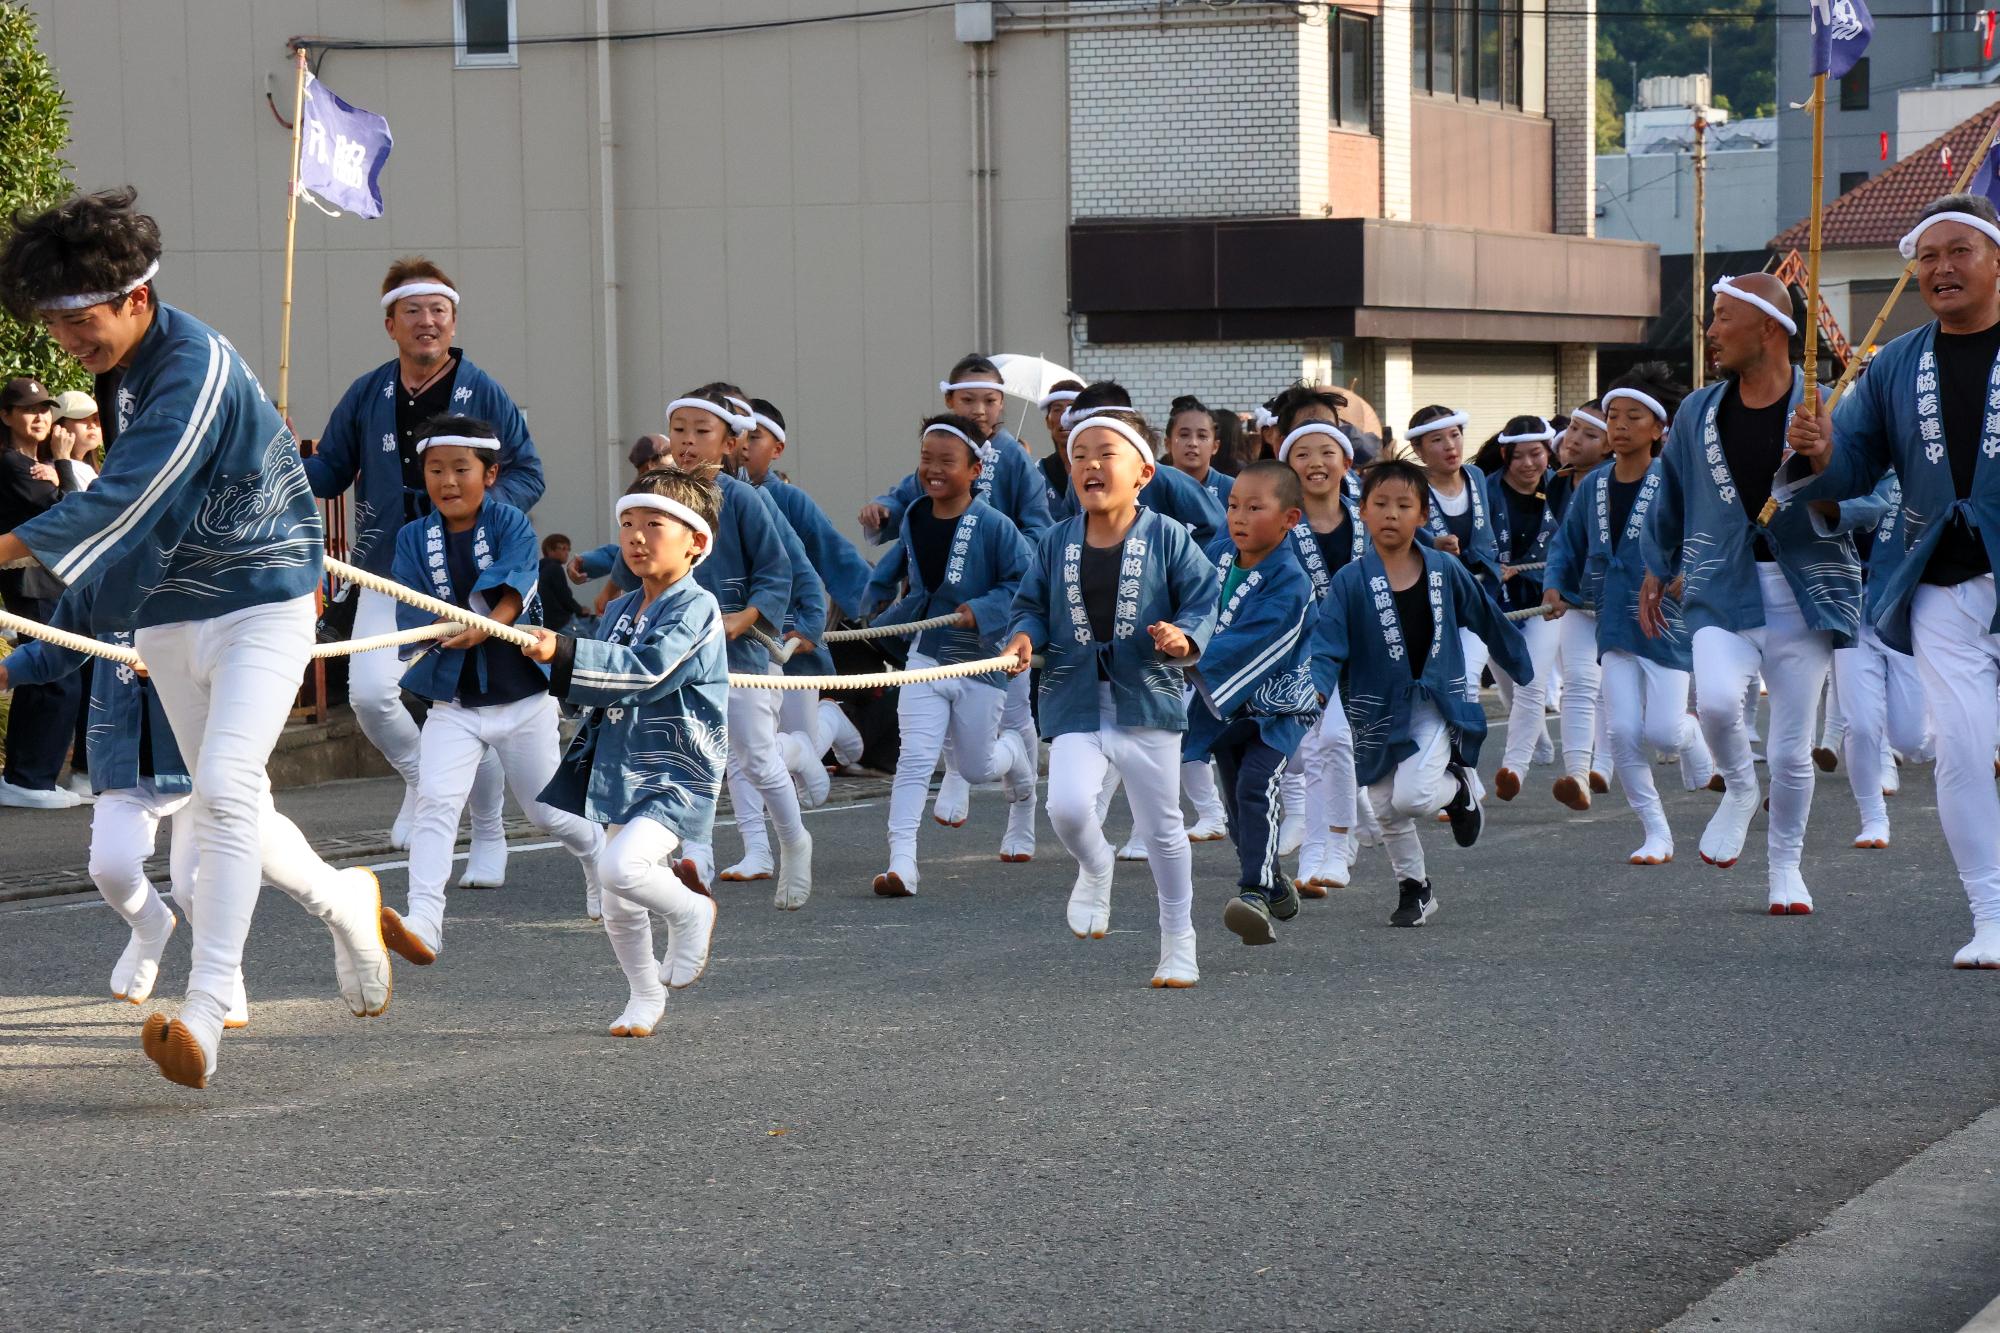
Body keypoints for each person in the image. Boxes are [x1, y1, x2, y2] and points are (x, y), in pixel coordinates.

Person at [0, 186, 389, 1088]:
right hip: (171, 610)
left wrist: (8, 545)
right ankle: (345, 900)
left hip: (263, 596)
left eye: (79, 321)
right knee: (235, 800)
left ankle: (208, 1009)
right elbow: (126, 547)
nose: (68, 343)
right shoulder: (122, 372)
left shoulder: (193, 363)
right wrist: (27, 658)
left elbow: (127, 493)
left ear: (137, 297)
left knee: (221, 785)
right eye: (55, 326)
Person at [1780, 192, 2000, 965]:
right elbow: (1854, 466)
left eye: (1959, 252)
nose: (1941, 268)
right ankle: (1990, 913)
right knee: (1965, 749)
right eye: (1928, 257)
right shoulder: (1899, 362)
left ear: (1996, 260)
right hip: (1938, 578)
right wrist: (1816, 451)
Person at [307, 256, 547, 870]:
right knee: (369, 697)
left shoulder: (483, 390)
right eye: (412, 311)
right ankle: (423, 779)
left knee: (476, 706)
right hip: (389, 565)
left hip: (473, 575)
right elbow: (329, 470)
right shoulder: (367, 393)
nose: (427, 322)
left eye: (438, 310)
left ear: (454, 319)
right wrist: (274, 462)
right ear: (390, 324)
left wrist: (477, 509)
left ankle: (489, 833)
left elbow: (528, 473)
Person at [1645, 278, 1875, 915]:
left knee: (1791, 747)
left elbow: (1880, 493)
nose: (1711, 331)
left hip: (1807, 593)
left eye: (1722, 318)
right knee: (1716, 703)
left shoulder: (1830, 407)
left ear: (1770, 329)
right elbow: (1670, 491)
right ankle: (1740, 787)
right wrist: (1658, 563)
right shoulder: (1697, 411)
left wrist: (1827, 484)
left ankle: (1785, 868)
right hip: (1722, 585)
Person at [374, 417, 606, 965]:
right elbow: (411, 603)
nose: (448, 481)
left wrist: (486, 623)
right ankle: (425, 923)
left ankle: (600, 859)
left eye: (461, 469)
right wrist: (442, 630)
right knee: (435, 804)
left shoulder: (511, 522)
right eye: (435, 470)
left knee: (548, 814)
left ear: (491, 472)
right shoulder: (412, 537)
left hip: (522, 698)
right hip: (453, 703)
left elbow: (518, 579)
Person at [1003, 409, 1219, 987]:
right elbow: (1029, 605)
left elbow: (1203, 599)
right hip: (1074, 697)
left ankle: (1179, 940)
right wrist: (1023, 635)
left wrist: (1184, 636)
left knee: (1162, 828)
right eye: (1079, 456)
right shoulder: (1055, 541)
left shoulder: (1169, 536)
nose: (1090, 465)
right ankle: (1095, 866)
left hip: (1148, 700)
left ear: (1144, 472)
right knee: (1068, 807)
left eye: (1106, 454)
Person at [526, 467, 726, 1038]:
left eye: (654, 525)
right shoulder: (618, 609)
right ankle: (643, 995)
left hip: (675, 767)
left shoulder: (697, 606)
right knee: (617, 897)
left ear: (696, 541)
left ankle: (690, 910)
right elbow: (594, 675)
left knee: (620, 867)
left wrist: (564, 654)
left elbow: (646, 672)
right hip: (619, 764)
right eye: (627, 524)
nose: (636, 536)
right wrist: (551, 656)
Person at [1310, 458, 1534, 927]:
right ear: (1363, 512)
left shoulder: (1443, 569)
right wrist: (1314, 692)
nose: (1391, 513)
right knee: (1384, 805)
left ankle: (1456, 792)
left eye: (1404, 504)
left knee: (1412, 798)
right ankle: (1416, 889)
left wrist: (1518, 662)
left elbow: (1486, 615)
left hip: (1435, 702)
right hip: (1374, 709)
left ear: (1423, 515)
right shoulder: (1350, 580)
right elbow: (1328, 644)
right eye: (1381, 504)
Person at [1544, 375, 1713, 865]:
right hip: (1611, 618)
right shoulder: (1594, 483)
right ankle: (1655, 832)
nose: (1619, 427)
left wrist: (1687, 571)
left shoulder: (1677, 479)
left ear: (1659, 429)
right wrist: (1555, 582)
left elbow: (1705, 534)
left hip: (1665, 619)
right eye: (1613, 417)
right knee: (1619, 731)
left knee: (1662, 732)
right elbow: (1567, 542)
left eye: (1632, 418)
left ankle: (1692, 734)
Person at [869, 416, 1035, 896]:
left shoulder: (996, 526)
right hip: (925, 653)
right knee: (915, 759)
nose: (934, 470)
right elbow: (899, 569)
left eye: (947, 461)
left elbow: (1023, 586)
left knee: (979, 766)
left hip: (981, 659)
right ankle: (902, 863)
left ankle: (1018, 760)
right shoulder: (915, 515)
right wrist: (876, 604)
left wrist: (980, 610)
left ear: (975, 469)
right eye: (926, 460)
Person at [1187, 461, 1319, 947]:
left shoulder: (1291, 580)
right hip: (1222, 704)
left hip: (1278, 707)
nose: (1239, 517)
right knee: (1239, 805)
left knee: (1256, 785)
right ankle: (1275, 879)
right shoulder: (1217, 553)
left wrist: (1190, 653)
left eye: (1255, 508)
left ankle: (1255, 892)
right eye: (1233, 506)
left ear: (1290, 519)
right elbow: (1187, 600)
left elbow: (1260, 642)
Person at [1280, 412, 1379, 892]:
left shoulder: (1371, 513)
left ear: (1346, 462)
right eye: (1302, 454)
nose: (1315, 463)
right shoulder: (1278, 521)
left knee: (1336, 745)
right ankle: (1324, 853)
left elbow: (1413, 551)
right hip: (1303, 655)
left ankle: (1333, 848)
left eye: (1326, 453)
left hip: (1369, 654)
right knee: (1321, 748)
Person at [1817, 476, 1932, 848]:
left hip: (1904, 611)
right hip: (1849, 611)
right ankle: (1873, 819)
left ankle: (1967, 740)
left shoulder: (1916, 469)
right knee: (1862, 725)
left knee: (1912, 739)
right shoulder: (1835, 465)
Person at [0, 375, 84, 808]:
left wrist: (59, 469)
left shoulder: (37, 464)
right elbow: (72, 514)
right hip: (31, 580)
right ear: (6, 416)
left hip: (51, 579)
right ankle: (29, 779)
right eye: (28, 409)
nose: (38, 416)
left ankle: (29, 777)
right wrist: (64, 465)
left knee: (48, 675)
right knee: (55, 673)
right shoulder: (12, 464)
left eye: (43, 409)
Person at [1485, 416, 1562, 801]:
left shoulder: (1564, 489)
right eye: (1521, 457)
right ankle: (1541, 741)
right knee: (1510, 688)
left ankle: (1513, 768)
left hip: (1546, 599)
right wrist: (1487, 563)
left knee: (1532, 683)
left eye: (1538, 454)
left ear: (1549, 453)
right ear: (1505, 456)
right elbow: (1471, 540)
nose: (1530, 464)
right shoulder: (1484, 491)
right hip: (1495, 602)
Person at [1547, 399, 1614, 805]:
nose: (1574, 439)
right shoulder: (1557, 481)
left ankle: (1606, 764)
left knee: (1616, 692)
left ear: (1609, 446)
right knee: (1579, 683)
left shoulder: (1615, 478)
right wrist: (1554, 581)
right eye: (1573, 428)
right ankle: (1577, 774)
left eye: (1590, 434)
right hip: (1576, 597)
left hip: (1620, 597)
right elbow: (1563, 541)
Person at [1165, 395, 1232, 509]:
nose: (1193, 443)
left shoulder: (1231, 489)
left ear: (1215, 446)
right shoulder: (1150, 487)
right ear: (1168, 443)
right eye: (1184, 435)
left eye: (1202, 436)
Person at [537, 534, 590, 636]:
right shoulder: (554, 568)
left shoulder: (540, 569)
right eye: (563, 548)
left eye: (568, 549)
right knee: (588, 642)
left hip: (545, 623)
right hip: (560, 621)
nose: (567, 553)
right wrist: (580, 610)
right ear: (550, 550)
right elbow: (564, 596)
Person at [50, 389, 102, 487]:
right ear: (57, 428)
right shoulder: (49, 470)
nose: (92, 425)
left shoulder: (91, 470)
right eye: (81, 419)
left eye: (96, 419)